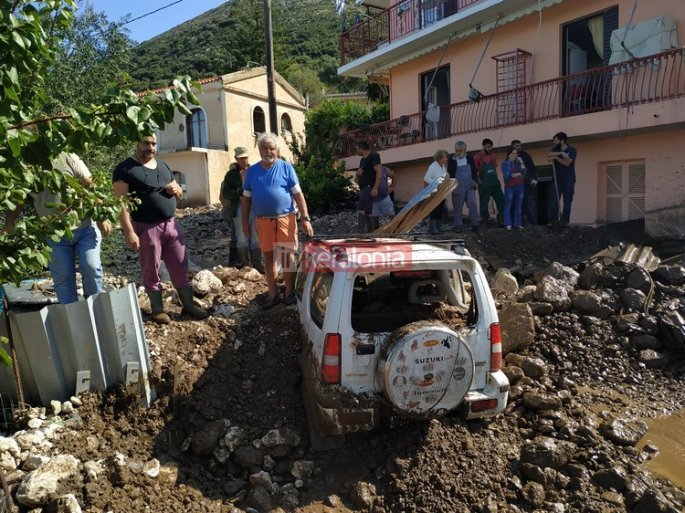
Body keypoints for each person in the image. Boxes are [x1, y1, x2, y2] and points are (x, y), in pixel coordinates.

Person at [113, 133, 208, 324]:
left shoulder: (163, 166)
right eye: (146, 143)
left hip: (172, 225)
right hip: (147, 227)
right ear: (137, 143)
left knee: (180, 265)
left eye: (153, 143)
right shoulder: (124, 169)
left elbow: (179, 193)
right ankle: (157, 310)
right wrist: (129, 231)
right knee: (151, 269)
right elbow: (119, 203)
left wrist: (178, 190)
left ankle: (188, 306)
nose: (150, 147)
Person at [3, 152, 111, 304]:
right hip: (53, 234)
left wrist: (102, 216)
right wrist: (8, 225)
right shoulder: (24, 166)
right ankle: (73, 321)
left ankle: (97, 311)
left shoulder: (67, 156)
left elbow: (90, 185)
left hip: (84, 228)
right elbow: (17, 200)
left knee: (91, 267)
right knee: (63, 278)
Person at [241, 133, 314, 310]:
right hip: (262, 221)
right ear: (259, 150)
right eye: (264, 148)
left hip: (285, 219)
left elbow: (298, 194)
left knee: (287, 257)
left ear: (277, 150)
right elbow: (246, 199)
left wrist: (305, 218)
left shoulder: (286, 167)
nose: (268, 151)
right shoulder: (251, 172)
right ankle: (273, 295)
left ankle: (289, 293)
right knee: (268, 258)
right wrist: (244, 222)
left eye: (271, 148)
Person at [219, 147, 263, 272]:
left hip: (254, 208)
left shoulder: (254, 171)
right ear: (236, 159)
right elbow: (226, 193)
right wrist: (240, 191)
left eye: (246, 158)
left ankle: (257, 266)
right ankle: (245, 266)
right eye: (241, 158)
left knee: (256, 237)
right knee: (240, 238)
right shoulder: (231, 174)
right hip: (238, 208)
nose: (244, 160)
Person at [447, 141, 480, 235]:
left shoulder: (469, 158)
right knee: (457, 207)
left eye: (460, 150)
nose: (458, 152)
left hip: (469, 185)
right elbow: (450, 174)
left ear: (465, 150)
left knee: (472, 204)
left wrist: (474, 182)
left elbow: (474, 170)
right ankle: (458, 226)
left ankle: (475, 224)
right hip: (457, 186)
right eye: (456, 150)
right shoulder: (452, 160)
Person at [547, 131, 577, 227]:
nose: (554, 142)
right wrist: (559, 154)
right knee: (553, 202)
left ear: (562, 140)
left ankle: (565, 222)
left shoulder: (572, 150)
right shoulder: (554, 149)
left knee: (567, 202)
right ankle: (553, 221)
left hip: (568, 179)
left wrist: (556, 157)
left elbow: (567, 163)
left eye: (556, 140)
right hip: (557, 179)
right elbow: (548, 156)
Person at [474, 138, 504, 226]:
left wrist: (497, 182)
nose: (490, 149)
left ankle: (501, 219)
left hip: (495, 183)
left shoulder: (493, 156)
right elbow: (474, 172)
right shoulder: (477, 157)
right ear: (483, 146)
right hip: (484, 184)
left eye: (491, 147)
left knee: (501, 200)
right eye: (488, 147)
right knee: (484, 203)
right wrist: (479, 182)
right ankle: (485, 221)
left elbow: (494, 169)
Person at [355, 140, 383, 233]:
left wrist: (375, 188)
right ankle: (372, 232)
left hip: (370, 187)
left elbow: (379, 171)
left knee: (362, 209)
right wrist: (358, 175)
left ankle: (362, 233)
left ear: (361, 148)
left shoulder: (374, 156)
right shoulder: (362, 160)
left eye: (357, 149)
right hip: (363, 189)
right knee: (368, 211)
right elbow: (359, 175)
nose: (356, 151)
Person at [511, 140, 538, 226]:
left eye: (519, 146)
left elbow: (532, 167)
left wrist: (534, 179)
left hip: (527, 183)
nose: (519, 147)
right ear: (512, 147)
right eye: (516, 146)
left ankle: (532, 223)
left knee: (529, 203)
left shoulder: (526, 155)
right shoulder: (509, 157)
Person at [423, 149, 449, 235]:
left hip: (442, 192)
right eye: (445, 157)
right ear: (440, 158)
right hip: (435, 192)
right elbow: (426, 178)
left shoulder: (443, 166)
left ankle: (437, 227)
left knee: (440, 209)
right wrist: (436, 184)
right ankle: (433, 228)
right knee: (435, 209)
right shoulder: (433, 166)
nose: (446, 159)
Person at [501, 146, 525, 230]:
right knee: (508, 205)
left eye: (516, 153)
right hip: (510, 187)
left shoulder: (518, 162)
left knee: (518, 205)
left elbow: (524, 173)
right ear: (509, 155)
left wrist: (522, 163)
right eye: (513, 153)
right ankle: (508, 224)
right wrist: (518, 174)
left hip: (520, 186)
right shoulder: (505, 163)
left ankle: (517, 223)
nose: (515, 155)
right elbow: (507, 176)